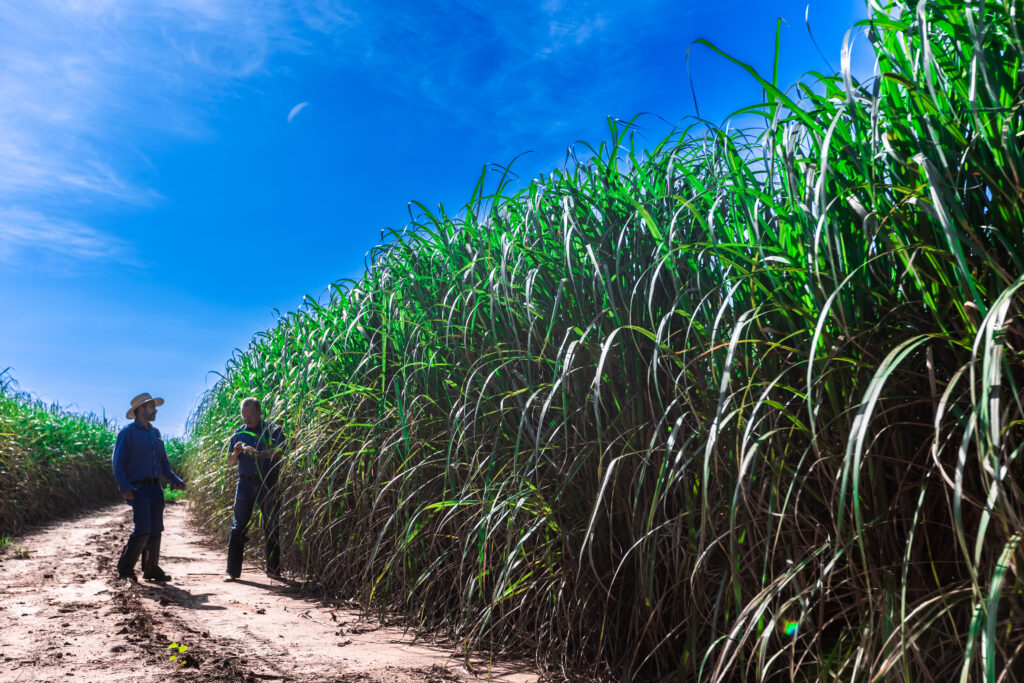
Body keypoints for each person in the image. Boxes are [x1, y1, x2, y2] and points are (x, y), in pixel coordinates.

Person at [111, 392, 185, 582]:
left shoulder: (155, 433)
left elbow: (163, 462)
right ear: (140, 410)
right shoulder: (127, 433)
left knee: (156, 529)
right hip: (138, 489)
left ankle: (151, 568)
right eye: (152, 407)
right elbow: (118, 462)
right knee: (142, 528)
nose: (155, 410)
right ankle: (125, 568)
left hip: (155, 489)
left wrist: (174, 479)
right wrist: (124, 486)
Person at [225, 397, 285, 581]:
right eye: (244, 415)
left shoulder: (272, 430)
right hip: (244, 484)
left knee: (271, 524)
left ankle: (273, 570)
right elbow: (229, 462)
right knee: (238, 526)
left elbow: (280, 451)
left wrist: (257, 453)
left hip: (268, 482)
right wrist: (236, 453)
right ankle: (232, 572)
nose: (247, 419)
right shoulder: (239, 433)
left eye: (250, 415)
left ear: (260, 413)